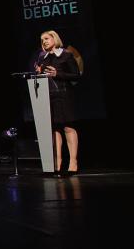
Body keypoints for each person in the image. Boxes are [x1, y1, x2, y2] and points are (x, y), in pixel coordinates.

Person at [36, 30, 81, 173]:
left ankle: (73, 162)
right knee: (54, 128)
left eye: (47, 38)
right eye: (42, 40)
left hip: (64, 95)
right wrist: (38, 72)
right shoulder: (43, 58)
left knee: (68, 127)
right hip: (48, 96)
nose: (44, 41)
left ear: (55, 39)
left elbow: (76, 75)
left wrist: (58, 74)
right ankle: (58, 161)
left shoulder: (66, 55)